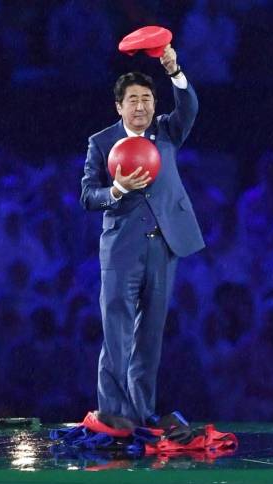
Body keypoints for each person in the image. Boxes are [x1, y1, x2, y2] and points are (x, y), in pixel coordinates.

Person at [80, 46, 204, 425]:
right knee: (116, 331)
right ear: (119, 106)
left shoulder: (166, 131)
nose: (141, 106)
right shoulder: (101, 143)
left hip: (163, 245)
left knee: (150, 334)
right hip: (121, 249)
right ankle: (113, 414)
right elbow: (88, 196)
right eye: (132, 99)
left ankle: (141, 412)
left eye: (147, 99)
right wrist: (116, 190)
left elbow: (189, 110)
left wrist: (175, 70)